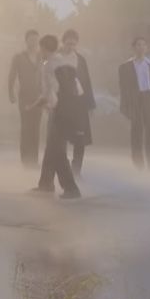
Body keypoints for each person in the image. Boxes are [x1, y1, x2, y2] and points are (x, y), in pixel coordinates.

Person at [30, 35, 81, 199]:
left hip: (58, 111)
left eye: (41, 48)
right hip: (69, 109)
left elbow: (51, 91)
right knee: (52, 148)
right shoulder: (64, 61)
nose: (39, 51)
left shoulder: (49, 65)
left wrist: (38, 105)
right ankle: (45, 183)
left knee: (57, 150)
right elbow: (77, 87)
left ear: (44, 48)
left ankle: (71, 188)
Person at [118, 37, 150, 170]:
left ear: (146, 48)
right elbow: (123, 88)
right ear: (133, 48)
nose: (141, 47)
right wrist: (124, 105)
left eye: (144, 45)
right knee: (136, 130)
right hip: (134, 99)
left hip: (148, 98)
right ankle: (138, 163)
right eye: (138, 45)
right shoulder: (125, 66)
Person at [59, 29, 95, 178]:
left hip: (79, 104)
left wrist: (90, 104)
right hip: (61, 104)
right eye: (68, 43)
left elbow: (86, 82)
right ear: (63, 42)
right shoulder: (56, 59)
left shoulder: (81, 60)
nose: (71, 46)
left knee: (79, 139)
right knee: (60, 138)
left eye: (73, 44)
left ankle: (76, 170)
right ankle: (63, 168)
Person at [8, 30, 43, 167]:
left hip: (39, 96)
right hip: (25, 96)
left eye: (36, 39)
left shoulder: (42, 57)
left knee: (36, 128)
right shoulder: (19, 57)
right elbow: (12, 76)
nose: (34, 42)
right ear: (26, 40)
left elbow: (48, 70)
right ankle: (25, 159)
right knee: (26, 127)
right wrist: (11, 93)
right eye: (31, 39)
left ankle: (34, 159)